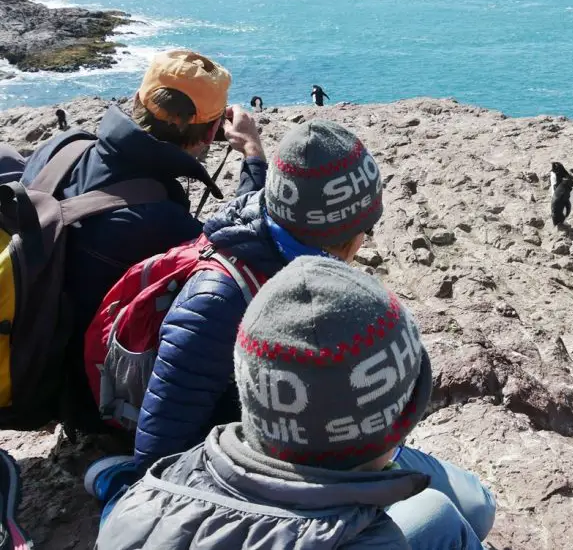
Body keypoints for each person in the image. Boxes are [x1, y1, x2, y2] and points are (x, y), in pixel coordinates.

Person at [84, 120, 386, 519]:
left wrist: (252, 152)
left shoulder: (276, 237)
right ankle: (114, 483)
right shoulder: (219, 301)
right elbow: (162, 441)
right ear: (345, 234)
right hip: (201, 453)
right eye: (367, 227)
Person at [96, 257, 496, 549]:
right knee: (445, 513)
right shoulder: (374, 542)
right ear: (400, 422)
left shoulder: (145, 496)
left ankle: (108, 480)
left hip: (183, 504)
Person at [18, 49, 266, 433]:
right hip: (93, 402)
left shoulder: (62, 148)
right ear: (212, 133)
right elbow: (243, 247)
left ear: (137, 101)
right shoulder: (159, 220)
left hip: (33, 363)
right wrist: (252, 153)